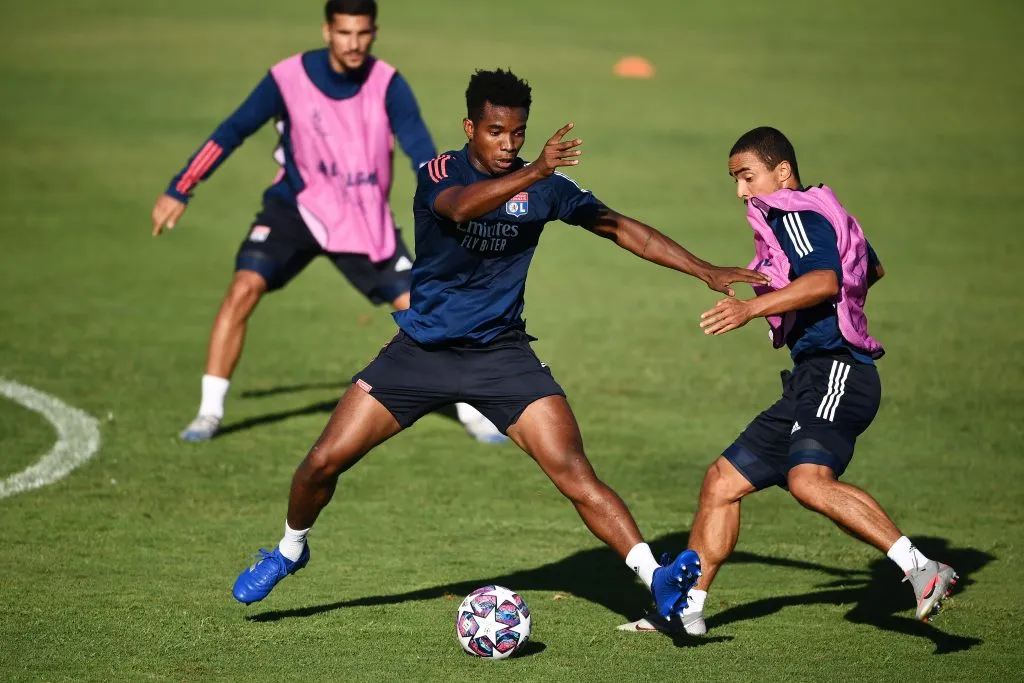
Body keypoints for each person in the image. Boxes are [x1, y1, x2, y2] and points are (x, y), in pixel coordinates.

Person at [230, 68, 770, 620]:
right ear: (470, 128)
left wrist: (704, 269)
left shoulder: (546, 188)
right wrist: (536, 170)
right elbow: (461, 208)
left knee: (574, 471)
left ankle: (656, 578)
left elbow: (621, 228)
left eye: (518, 133)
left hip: (501, 357)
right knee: (322, 462)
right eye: (495, 132)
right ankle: (289, 550)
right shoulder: (441, 172)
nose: (508, 145)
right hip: (422, 353)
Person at [618, 126, 958, 636]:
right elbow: (871, 267)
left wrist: (753, 309)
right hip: (810, 378)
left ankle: (922, 568)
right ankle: (685, 609)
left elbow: (825, 280)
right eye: (734, 180)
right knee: (722, 482)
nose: (741, 191)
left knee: (808, 480)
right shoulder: (822, 209)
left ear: (782, 171)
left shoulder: (792, 213)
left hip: (838, 371)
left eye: (747, 177)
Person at [150, 0, 505, 443]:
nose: (353, 44)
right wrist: (181, 187)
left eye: (362, 33)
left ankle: (472, 412)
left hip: (361, 218)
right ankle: (208, 413)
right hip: (296, 208)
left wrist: (449, 200)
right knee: (244, 287)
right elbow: (233, 130)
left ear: (374, 33)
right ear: (327, 32)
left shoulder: (388, 84)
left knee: (425, 308)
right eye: (344, 33)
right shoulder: (287, 78)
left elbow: (421, 152)